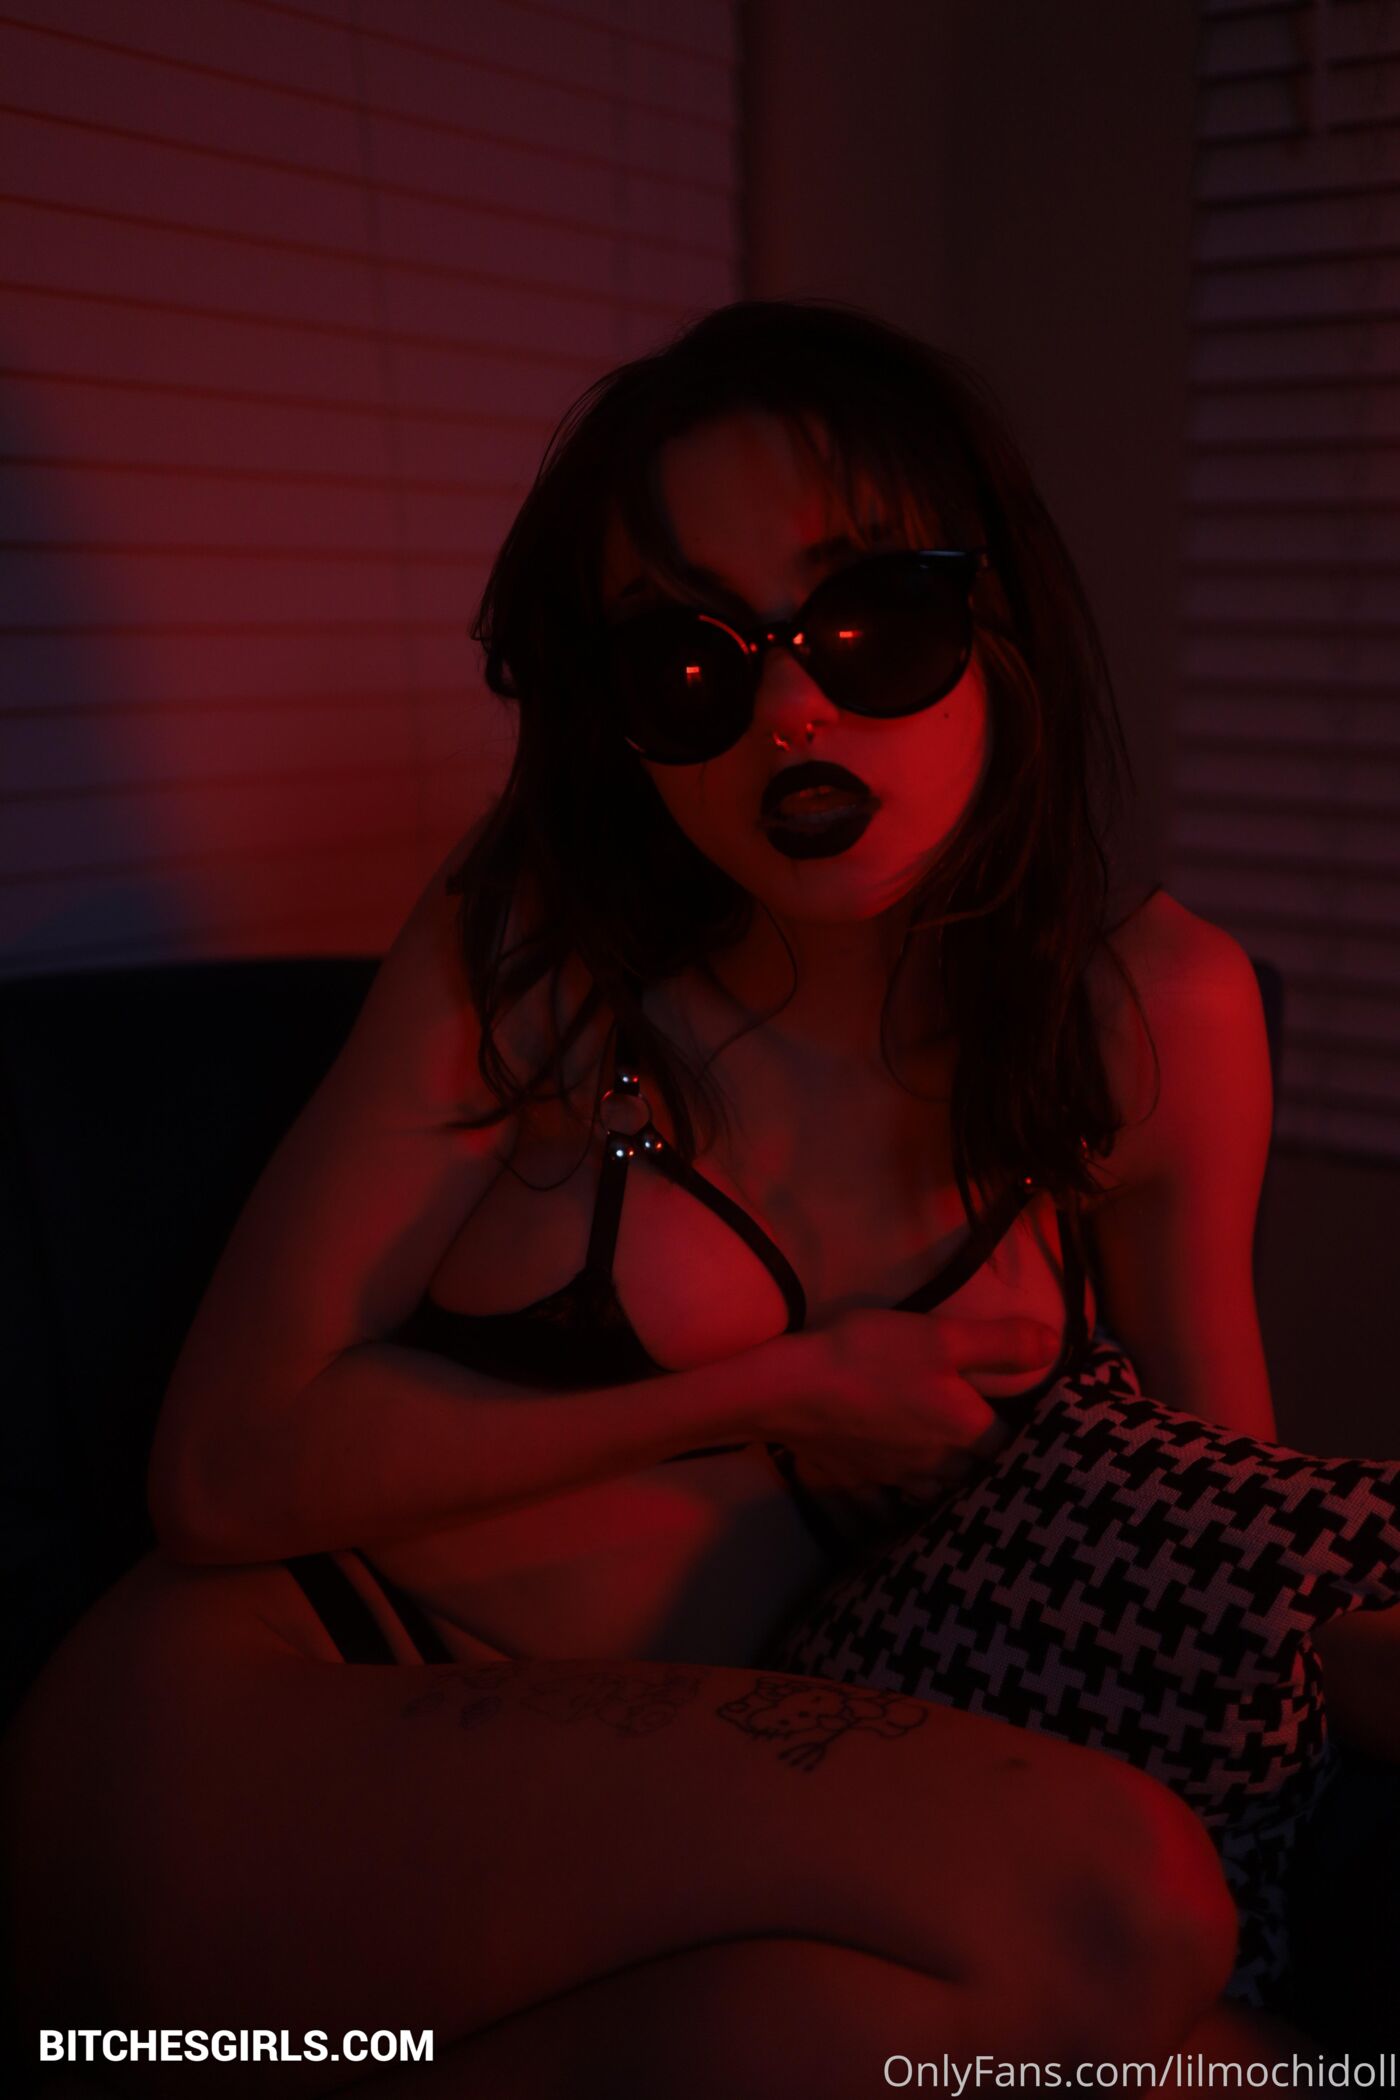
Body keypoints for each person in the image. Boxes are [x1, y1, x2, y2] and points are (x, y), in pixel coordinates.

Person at [3, 300, 1309, 2093]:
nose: (787, 707)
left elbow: (1223, 1534)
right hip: (263, 1733)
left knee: (1216, 2059)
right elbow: (223, 1471)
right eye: (686, 661)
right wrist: (784, 1387)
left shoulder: (1156, 1019)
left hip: (658, 1842)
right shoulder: (538, 953)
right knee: (1122, 1902)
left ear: (1000, 622)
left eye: (871, 618)